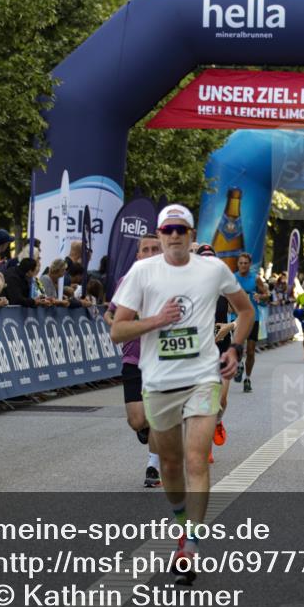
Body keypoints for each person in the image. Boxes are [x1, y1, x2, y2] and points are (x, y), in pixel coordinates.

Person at [110, 204, 254, 585]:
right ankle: (180, 520)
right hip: (158, 382)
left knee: (196, 461)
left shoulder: (213, 270)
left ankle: (190, 543)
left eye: (181, 229)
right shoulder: (142, 273)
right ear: (159, 235)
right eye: (168, 229)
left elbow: (246, 311)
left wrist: (234, 348)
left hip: (202, 378)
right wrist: (157, 320)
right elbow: (117, 331)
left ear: (191, 235)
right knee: (170, 465)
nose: (174, 235)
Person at [105, 233, 164, 488]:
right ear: (138, 255)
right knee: (137, 420)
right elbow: (109, 315)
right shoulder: (126, 282)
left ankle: (153, 465)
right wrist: (120, 326)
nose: (150, 254)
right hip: (133, 357)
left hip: (163, 360)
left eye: (155, 249)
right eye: (146, 250)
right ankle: (146, 430)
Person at [196, 244, 232, 461]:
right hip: (201, 350)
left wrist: (230, 326)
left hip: (224, 349)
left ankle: (218, 421)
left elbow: (245, 315)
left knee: (222, 400)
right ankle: (205, 446)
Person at [231, 252, 269, 393]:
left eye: (246, 263)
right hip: (236, 318)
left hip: (253, 317)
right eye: (241, 263)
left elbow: (267, 295)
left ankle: (247, 378)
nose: (243, 265)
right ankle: (239, 365)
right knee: (237, 347)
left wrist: (261, 296)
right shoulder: (232, 278)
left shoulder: (256, 279)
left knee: (251, 351)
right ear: (237, 264)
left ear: (249, 264)